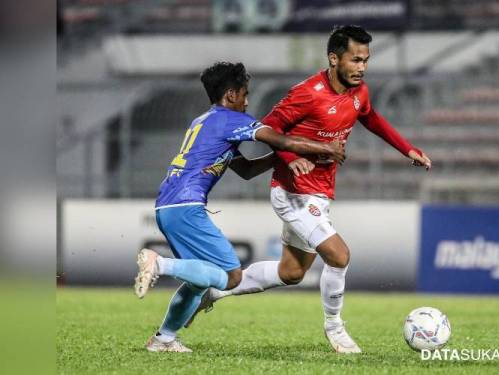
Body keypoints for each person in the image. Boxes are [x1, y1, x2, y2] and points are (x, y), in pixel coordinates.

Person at [192, 25, 432, 354]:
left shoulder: (359, 93)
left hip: (317, 192)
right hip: (291, 192)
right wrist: (290, 158)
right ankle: (335, 327)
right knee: (339, 255)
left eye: (366, 60)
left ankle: (214, 291)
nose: (362, 67)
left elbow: (371, 118)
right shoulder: (307, 93)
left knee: (290, 272)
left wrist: (407, 149)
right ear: (334, 58)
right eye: (355, 59)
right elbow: (270, 128)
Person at [134, 61, 345, 352]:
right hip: (186, 205)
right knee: (231, 277)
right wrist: (324, 148)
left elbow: (245, 170)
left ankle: (163, 339)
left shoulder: (204, 122)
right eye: (245, 94)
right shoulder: (229, 120)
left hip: (168, 207)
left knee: (199, 281)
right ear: (231, 94)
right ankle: (159, 263)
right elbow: (278, 137)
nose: (247, 102)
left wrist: (278, 159)